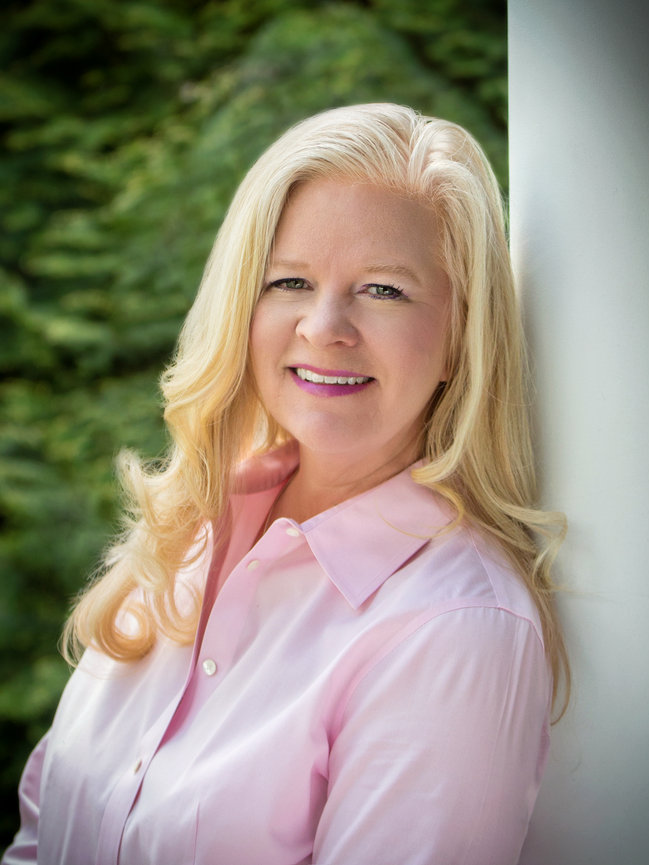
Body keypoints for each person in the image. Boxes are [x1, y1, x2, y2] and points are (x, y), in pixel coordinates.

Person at [3, 103, 568, 865]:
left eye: (384, 289)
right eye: (290, 281)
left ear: (460, 337)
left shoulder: (455, 625)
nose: (324, 325)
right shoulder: (187, 532)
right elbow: (40, 838)